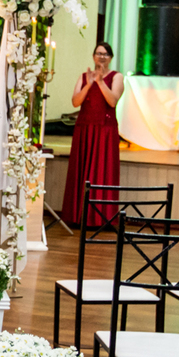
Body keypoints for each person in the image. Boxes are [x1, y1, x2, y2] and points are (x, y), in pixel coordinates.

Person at [61, 42, 123, 228]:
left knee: (102, 171)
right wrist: (88, 85)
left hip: (105, 131)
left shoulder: (116, 77)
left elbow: (112, 101)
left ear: (110, 57)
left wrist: (100, 82)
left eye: (105, 54)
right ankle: (78, 215)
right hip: (85, 129)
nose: (101, 57)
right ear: (93, 56)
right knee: (82, 172)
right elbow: (75, 102)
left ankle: (100, 218)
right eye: (98, 53)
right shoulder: (83, 77)